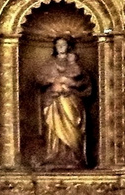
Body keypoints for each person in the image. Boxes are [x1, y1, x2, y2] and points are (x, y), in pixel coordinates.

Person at [35, 37, 91, 168]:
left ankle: (74, 156)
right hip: (53, 100)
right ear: (55, 47)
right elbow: (39, 78)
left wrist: (71, 83)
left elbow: (83, 80)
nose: (61, 47)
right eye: (58, 45)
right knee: (53, 129)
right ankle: (54, 155)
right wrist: (53, 80)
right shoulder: (50, 63)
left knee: (73, 126)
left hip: (71, 99)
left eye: (63, 44)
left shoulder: (75, 63)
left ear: (68, 46)